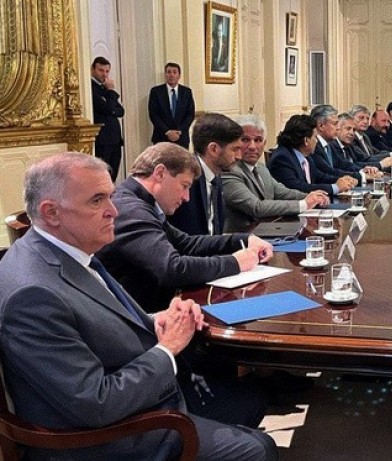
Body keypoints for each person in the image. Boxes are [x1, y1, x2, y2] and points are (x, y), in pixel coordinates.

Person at [0, 152, 277, 461]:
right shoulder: (33, 295)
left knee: (249, 401)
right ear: (51, 213)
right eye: (97, 201)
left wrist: (156, 320)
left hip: (137, 398)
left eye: (110, 196)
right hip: (101, 440)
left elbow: (95, 320)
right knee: (258, 449)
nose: (114, 211)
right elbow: (96, 402)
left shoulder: (67, 251)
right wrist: (168, 348)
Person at [97, 142, 273, 313]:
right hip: (142, 320)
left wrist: (243, 239)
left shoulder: (141, 203)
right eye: (184, 186)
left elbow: (187, 244)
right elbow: (173, 269)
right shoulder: (131, 209)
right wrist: (235, 263)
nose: (187, 197)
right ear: (160, 173)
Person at [222, 114, 330, 233]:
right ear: (235, 143)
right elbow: (256, 207)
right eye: (245, 140)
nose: (252, 146)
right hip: (242, 238)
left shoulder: (261, 168)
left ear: (264, 144)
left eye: (258, 140)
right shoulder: (229, 171)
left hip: (268, 232)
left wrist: (312, 197)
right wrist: (303, 204)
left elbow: (283, 192)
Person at [167, 112, 243, 236]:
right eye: (235, 149)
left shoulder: (216, 176)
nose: (239, 156)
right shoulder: (185, 181)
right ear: (213, 149)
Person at [268, 114, 356, 196]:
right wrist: (335, 187)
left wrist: (343, 180)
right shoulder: (282, 158)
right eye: (315, 137)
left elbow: (319, 177)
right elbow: (297, 187)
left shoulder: (306, 157)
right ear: (306, 140)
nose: (316, 141)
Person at [90, 56, 125, 181]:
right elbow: (107, 108)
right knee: (103, 176)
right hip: (102, 139)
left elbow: (120, 111)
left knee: (113, 176)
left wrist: (112, 108)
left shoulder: (105, 88)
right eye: (101, 70)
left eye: (107, 71)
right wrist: (110, 91)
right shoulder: (91, 88)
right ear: (92, 69)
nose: (104, 74)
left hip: (115, 139)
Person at [148, 62, 196, 149]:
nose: (171, 75)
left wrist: (179, 131)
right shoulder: (156, 91)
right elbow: (153, 114)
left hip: (181, 138)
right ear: (165, 75)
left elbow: (190, 114)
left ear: (179, 75)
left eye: (174, 72)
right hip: (161, 137)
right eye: (169, 72)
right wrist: (167, 132)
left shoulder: (186, 92)